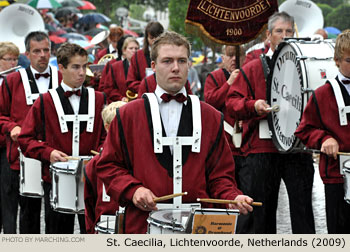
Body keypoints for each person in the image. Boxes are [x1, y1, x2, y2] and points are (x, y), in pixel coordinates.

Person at [96, 31, 254, 234]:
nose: (175, 68)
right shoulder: (127, 115)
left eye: (182, 61)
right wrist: (133, 190)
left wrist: (232, 196)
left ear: (190, 65)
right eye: (167, 61)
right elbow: (108, 166)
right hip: (142, 226)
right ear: (153, 67)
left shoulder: (211, 117)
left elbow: (220, 175)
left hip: (198, 229)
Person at [226, 11, 315, 234]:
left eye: (288, 31)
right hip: (262, 150)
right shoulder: (254, 67)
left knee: (303, 212)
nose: (284, 36)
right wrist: (253, 105)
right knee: (260, 216)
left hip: (296, 149)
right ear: (268, 35)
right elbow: (232, 102)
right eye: (279, 31)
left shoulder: (304, 64)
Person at [17, 42, 106, 234]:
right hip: (55, 180)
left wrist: (101, 151)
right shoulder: (45, 100)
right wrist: (48, 153)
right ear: (62, 68)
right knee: (58, 235)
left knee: (91, 234)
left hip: (91, 180)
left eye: (84, 66)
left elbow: (107, 137)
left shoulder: (99, 98)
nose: (82, 72)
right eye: (75, 67)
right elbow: (25, 139)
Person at [0, 32, 62, 234]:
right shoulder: (12, 81)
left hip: (55, 156)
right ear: (27, 53)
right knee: (28, 212)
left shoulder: (62, 77)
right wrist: (12, 127)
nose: (42, 55)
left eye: (46, 50)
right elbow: (0, 115)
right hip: (21, 156)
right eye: (37, 51)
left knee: (57, 213)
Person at [295, 31, 350, 234]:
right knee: (339, 233)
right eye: (349, 60)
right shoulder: (322, 94)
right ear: (336, 61)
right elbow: (304, 130)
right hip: (336, 176)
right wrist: (324, 138)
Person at [204, 45, 243, 188]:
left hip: (245, 146)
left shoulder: (247, 76)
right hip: (224, 142)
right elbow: (211, 102)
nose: (234, 59)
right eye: (230, 55)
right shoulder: (214, 77)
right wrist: (229, 83)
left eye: (237, 55)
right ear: (223, 57)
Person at [84, 101, 126, 234]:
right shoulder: (93, 166)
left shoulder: (140, 160)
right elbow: (89, 207)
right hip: (104, 228)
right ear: (107, 128)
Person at [0, 41, 20, 234]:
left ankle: (10, 234)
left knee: (7, 191)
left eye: (16, 59)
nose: (13, 63)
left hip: (7, 144)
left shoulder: (17, 81)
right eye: (9, 59)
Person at [126, 21, 164, 93]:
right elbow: (130, 82)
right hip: (144, 97)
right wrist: (146, 87)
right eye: (151, 37)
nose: (154, 40)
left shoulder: (170, 55)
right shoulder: (137, 56)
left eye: (157, 37)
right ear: (146, 38)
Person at [103, 37, 140, 103]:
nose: (134, 51)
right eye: (131, 48)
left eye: (136, 48)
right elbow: (108, 88)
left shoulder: (142, 67)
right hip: (120, 104)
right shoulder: (115, 67)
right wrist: (120, 98)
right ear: (124, 51)